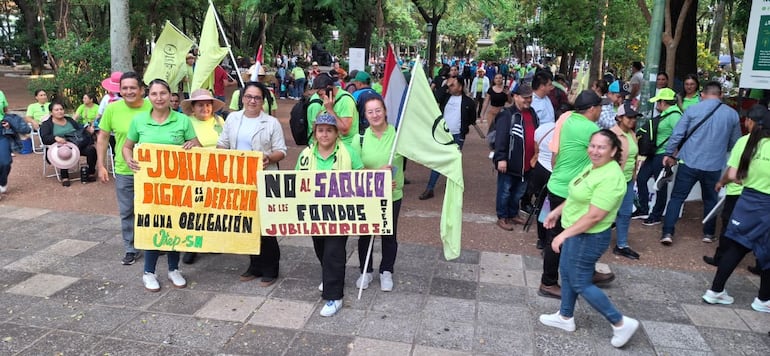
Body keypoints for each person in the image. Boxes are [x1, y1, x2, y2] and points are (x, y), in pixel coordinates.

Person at [539, 129, 639, 348]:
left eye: (601, 147)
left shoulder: (611, 177)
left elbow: (595, 216)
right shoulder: (593, 167)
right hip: (576, 232)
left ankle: (620, 322)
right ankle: (565, 317)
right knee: (565, 272)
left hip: (588, 237)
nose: (595, 151)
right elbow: (578, 194)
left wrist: (562, 235)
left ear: (613, 151)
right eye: (592, 145)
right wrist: (557, 211)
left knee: (580, 281)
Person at [122, 79, 201, 292]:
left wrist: (192, 145)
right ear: (149, 96)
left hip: (177, 187)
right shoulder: (139, 121)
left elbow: (198, 148)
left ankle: (174, 269)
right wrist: (129, 158)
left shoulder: (183, 121)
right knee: (152, 226)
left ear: (170, 96)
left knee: (175, 226)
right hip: (150, 187)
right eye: (154, 94)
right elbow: (127, 147)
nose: (159, 98)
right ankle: (149, 272)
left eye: (163, 93)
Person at [540, 90, 615, 299]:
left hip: (561, 184)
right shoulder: (590, 129)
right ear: (592, 109)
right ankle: (548, 282)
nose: (601, 110)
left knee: (580, 234)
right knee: (561, 238)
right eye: (600, 107)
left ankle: (587, 272)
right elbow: (609, 152)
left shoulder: (568, 118)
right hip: (569, 190)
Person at [701, 107, 770, 313]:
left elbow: (733, 174)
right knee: (767, 253)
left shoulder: (746, 142)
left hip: (747, 199)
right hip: (766, 204)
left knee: (737, 247)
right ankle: (764, 299)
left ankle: (715, 290)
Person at [217, 82, 286, 285]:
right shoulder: (232, 119)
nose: (252, 101)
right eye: (249, 97)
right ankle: (254, 265)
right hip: (240, 180)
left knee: (266, 225)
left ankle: (271, 268)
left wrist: (268, 158)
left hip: (265, 178)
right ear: (242, 98)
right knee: (248, 223)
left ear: (263, 101)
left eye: (257, 97)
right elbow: (223, 144)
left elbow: (281, 150)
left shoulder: (271, 123)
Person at [296, 113, 363, 317]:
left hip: (339, 213)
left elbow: (362, 178)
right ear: (315, 133)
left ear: (336, 133)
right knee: (321, 248)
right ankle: (329, 275)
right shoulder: (306, 154)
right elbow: (297, 180)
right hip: (315, 213)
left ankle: (334, 296)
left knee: (334, 251)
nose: (324, 134)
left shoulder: (349, 152)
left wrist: (382, 178)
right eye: (320, 130)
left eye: (329, 130)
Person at [660, 81, 741, 245]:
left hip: (689, 161)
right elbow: (735, 143)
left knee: (677, 198)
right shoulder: (732, 115)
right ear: (721, 95)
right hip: (714, 165)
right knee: (710, 200)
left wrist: (669, 153)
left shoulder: (692, 109)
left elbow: (677, 134)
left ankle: (667, 232)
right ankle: (708, 234)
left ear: (702, 94)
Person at [96, 72, 152, 266]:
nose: (128, 91)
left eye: (132, 88)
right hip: (124, 169)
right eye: (125, 88)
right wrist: (101, 165)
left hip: (153, 171)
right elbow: (102, 137)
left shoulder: (153, 106)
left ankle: (155, 243)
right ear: (119, 90)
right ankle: (131, 248)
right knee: (127, 210)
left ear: (141, 90)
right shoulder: (112, 109)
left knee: (153, 209)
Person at [353, 97, 404, 291]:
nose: (375, 115)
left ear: (385, 111)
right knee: (365, 233)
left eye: (378, 110)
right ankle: (365, 271)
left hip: (393, 195)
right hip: (368, 195)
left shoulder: (399, 135)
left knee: (388, 234)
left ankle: (386, 271)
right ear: (365, 115)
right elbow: (355, 169)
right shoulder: (361, 138)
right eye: (370, 112)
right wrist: (377, 176)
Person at [177, 89, 227, 265]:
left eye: (208, 104)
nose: (205, 108)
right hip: (194, 173)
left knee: (214, 208)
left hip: (219, 172)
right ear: (193, 107)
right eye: (200, 105)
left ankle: (212, 242)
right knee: (194, 209)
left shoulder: (220, 120)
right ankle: (193, 246)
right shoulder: (184, 122)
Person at [419, 77, 475, 200]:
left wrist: (463, 131)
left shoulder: (469, 102)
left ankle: (453, 188)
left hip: (458, 136)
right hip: (442, 135)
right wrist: (445, 86)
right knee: (438, 161)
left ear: (460, 87)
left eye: (452, 85)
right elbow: (435, 97)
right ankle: (430, 188)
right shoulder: (445, 97)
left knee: (454, 162)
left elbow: (472, 118)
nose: (450, 87)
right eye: (449, 85)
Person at [493, 84, 538, 231]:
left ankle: (513, 213)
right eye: (525, 97)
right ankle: (502, 216)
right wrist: (501, 158)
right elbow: (500, 138)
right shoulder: (507, 114)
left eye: (530, 97)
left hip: (527, 163)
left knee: (518, 192)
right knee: (505, 191)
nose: (528, 100)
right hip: (510, 162)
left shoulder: (532, 113)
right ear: (515, 96)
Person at [634, 88, 682, 224]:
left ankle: (656, 215)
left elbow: (680, 135)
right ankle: (643, 208)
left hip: (664, 155)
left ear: (662, 102)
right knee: (641, 178)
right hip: (654, 153)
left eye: (658, 102)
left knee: (660, 185)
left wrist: (673, 155)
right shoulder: (667, 114)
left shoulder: (674, 116)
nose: (656, 105)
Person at [609, 103, 641, 259]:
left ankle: (622, 244)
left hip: (628, 179)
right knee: (606, 211)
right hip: (614, 180)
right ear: (619, 117)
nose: (632, 120)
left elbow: (633, 157)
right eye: (629, 117)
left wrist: (634, 175)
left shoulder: (631, 134)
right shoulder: (612, 135)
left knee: (626, 212)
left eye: (634, 117)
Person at [40, 101, 97, 186]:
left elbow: (79, 129)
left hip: (76, 145)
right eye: (56, 110)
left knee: (91, 150)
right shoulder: (47, 124)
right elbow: (44, 138)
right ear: (51, 112)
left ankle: (91, 172)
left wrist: (87, 129)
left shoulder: (69, 120)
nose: (60, 111)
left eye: (61, 109)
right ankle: (64, 176)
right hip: (59, 148)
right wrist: (55, 138)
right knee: (64, 150)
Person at [306, 73, 359, 146]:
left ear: (329, 88)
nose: (320, 97)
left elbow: (344, 130)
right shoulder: (328, 101)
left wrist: (330, 110)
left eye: (321, 94)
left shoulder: (346, 101)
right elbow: (316, 122)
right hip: (333, 146)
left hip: (346, 147)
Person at [0, 112, 31, 199]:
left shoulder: (1, 97)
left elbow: (5, 111)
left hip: (2, 134)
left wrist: (8, 123)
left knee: (5, 162)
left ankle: (2, 181)